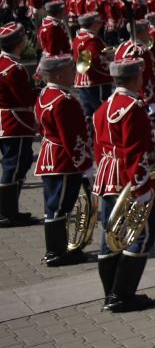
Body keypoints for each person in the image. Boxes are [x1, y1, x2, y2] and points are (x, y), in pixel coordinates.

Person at [93, 58, 155, 312]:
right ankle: (122, 295)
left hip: (108, 176)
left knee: (110, 234)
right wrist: (142, 188)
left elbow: (100, 147)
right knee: (140, 236)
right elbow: (135, 154)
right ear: (136, 78)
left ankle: (111, 291)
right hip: (128, 179)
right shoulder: (132, 108)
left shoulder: (104, 106)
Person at [33, 54, 91, 264]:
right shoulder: (64, 101)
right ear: (58, 74)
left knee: (54, 205)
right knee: (60, 205)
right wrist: (85, 164)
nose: (74, 72)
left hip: (50, 155)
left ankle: (59, 249)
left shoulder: (45, 94)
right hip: (63, 160)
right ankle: (56, 253)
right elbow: (72, 138)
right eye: (69, 70)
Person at [0, 23, 38, 228]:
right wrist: (39, 89)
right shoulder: (14, 69)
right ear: (17, 43)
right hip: (15, 121)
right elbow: (24, 98)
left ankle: (10, 210)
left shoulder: (4, 63)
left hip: (7, 121)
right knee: (14, 166)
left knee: (16, 164)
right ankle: (6, 212)